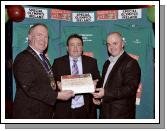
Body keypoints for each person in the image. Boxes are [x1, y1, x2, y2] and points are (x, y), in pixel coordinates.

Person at [13, 23, 74, 119]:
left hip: (44, 113)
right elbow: (30, 88)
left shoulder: (43, 58)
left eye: (46, 36)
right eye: (39, 35)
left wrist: (58, 87)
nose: (43, 39)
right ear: (29, 37)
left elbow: (45, 82)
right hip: (30, 115)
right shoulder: (23, 58)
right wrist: (57, 95)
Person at [93, 32, 141, 119]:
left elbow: (130, 89)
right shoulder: (107, 63)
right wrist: (99, 99)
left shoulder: (131, 63)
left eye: (115, 43)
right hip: (105, 114)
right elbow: (106, 85)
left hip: (121, 116)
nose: (111, 47)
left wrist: (105, 93)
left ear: (122, 44)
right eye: (109, 44)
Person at [52, 34, 100, 119]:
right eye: (72, 45)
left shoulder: (91, 62)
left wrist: (95, 87)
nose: (75, 48)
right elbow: (51, 85)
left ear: (82, 48)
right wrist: (57, 86)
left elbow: (98, 81)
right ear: (67, 48)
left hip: (86, 110)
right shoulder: (58, 63)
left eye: (78, 45)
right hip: (64, 110)